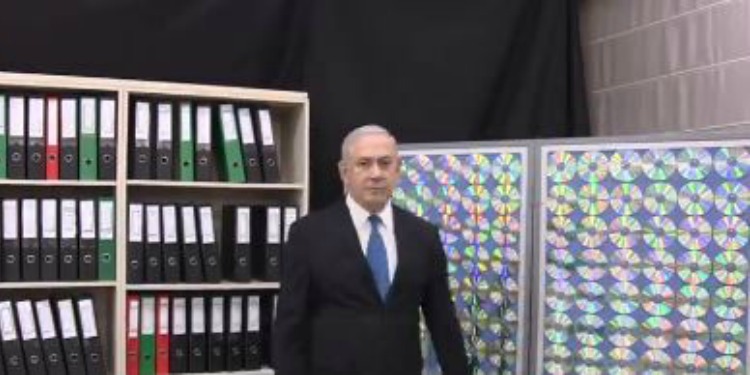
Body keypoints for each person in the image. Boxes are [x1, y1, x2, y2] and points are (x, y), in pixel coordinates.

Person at [273, 125, 470, 375]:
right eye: (364, 164)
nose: (376, 173)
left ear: (397, 170)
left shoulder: (424, 236)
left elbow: (443, 321)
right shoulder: (308, 235)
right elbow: (290, 325)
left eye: (385, 163)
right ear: (344, 172)